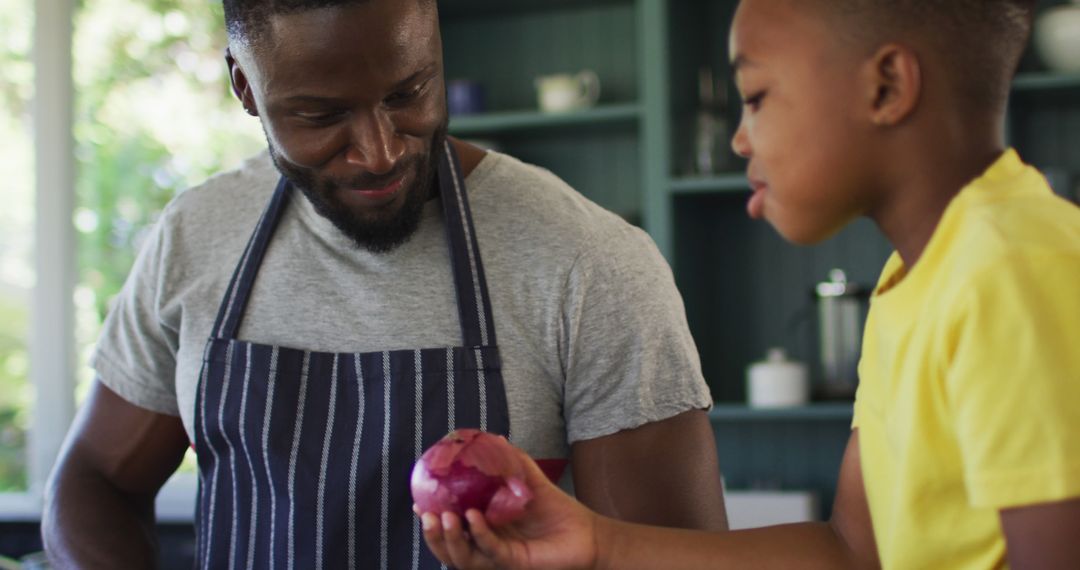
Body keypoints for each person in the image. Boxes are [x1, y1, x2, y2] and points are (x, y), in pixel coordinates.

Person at [40, 0, 729, 567]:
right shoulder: (195, 236)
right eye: (321, 115)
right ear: (245, 88)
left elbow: (672, 555)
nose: (381, 151)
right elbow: (93, 480)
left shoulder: (588, 262)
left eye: (409, 93)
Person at [420, 0, 1080, 568]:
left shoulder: (1011, 270)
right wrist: (595, 542)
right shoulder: (919, 276)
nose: (738, 139)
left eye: (758, 97)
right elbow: (852, 550)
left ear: (886, 87)